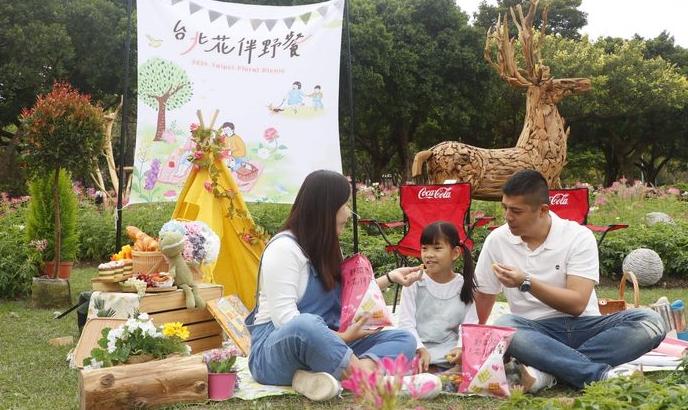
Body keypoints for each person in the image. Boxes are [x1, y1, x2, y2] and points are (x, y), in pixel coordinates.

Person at [245, 170, 440, 401]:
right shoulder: (284, 249)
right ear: (325, 209)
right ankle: (372, 383)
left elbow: (349, 298)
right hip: (276, 351)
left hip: (329, 344)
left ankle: (317, 379)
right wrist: (344, 337)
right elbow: (286, 320)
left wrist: (390, 277)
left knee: (403, 339)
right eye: (345, 204)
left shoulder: (328, 246)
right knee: (305, 325)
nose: (349, 212)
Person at [474, 169, 666, 392]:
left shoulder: (577, 237)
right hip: (533, 332)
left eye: (516, 211)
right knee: (505, 326)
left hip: (586, 326)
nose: (507, 216)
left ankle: (545, 373)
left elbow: (576, 305)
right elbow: (484, 294)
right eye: (504, 208)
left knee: (651, 320)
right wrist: (473, 344)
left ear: (543, 210)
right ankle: (599, 375)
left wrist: (525, 281)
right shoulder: (497, 240)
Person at [398, 221, 478, 372]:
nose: (429, 254)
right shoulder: (413, 281)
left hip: (448, 347)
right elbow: (405, 323)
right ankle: (436, 369)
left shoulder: (463, 284)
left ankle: (434, 369)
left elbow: (470, 324)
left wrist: (461, 348)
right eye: (424, 248)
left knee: (477, 353)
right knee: (395, 350)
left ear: (455, 253)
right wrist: (420, 349)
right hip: (416, 344)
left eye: (437, 248)